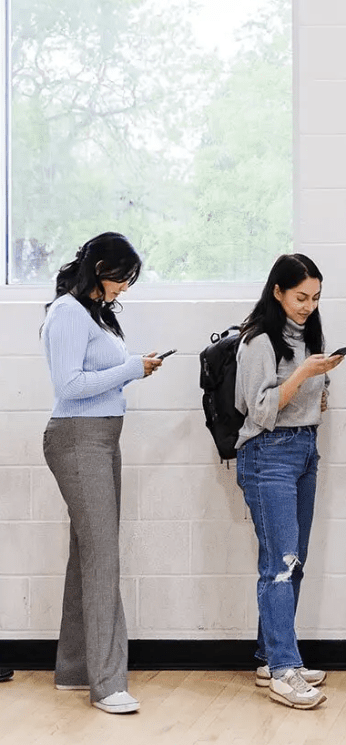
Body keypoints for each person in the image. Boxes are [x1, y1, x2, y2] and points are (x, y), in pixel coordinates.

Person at [40, 232, 165, 714]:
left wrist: (135, 366)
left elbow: (96, 376)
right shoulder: (68, 312)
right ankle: (108, 684)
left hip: (101, 437)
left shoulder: (95, 315)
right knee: (103, 559)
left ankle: (75, 669)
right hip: (77, 439)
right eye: (122, 277)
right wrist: (132, 368)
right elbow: (68, 385)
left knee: (87, 553)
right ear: (99, 269)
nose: (125, 288)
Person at [234, 254, 344, 710]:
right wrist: (302, 374)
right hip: (268, 452)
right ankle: (284, 668)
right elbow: (259, 410)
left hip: (303, 450)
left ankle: (271, 657)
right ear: (277, 292)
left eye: (315, 298)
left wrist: (320, 385)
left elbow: (303, 402)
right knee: (278, 563)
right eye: (301, 297)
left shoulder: (308, 336)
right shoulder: (259, 341)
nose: (308, 306)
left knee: (293, 560)